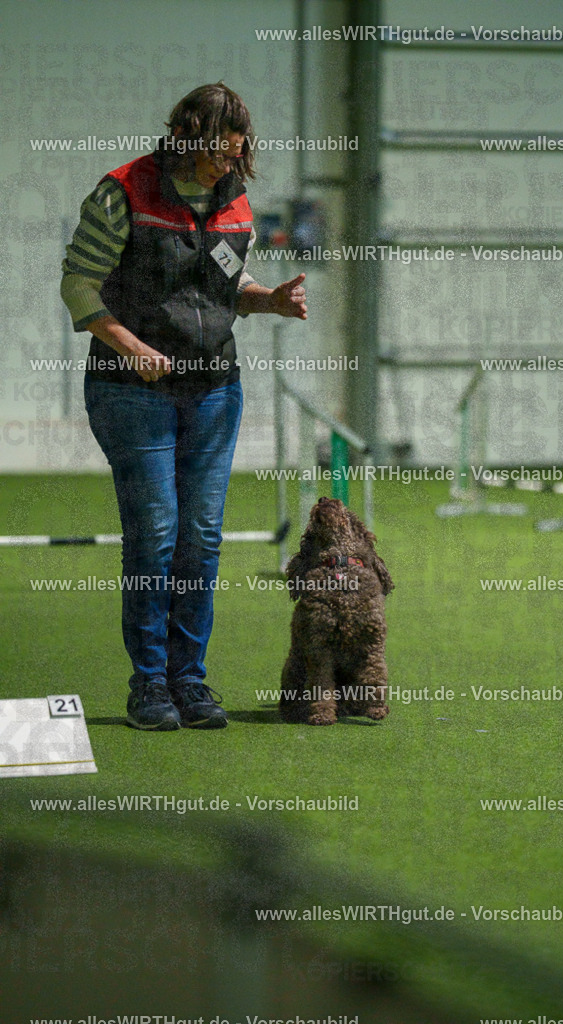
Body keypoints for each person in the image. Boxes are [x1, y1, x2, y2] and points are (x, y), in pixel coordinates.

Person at [61, 83, 307, 731]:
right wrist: (131, 346)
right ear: (187, 137)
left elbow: (230, 284)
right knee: (157, 535)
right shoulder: (123, 192)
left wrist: (269, 300)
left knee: (200, 538)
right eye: (216, 156)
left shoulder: (233, 201)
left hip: (214, 389)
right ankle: (148, 685)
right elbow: (78, 283)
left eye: (234, 157)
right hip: (129, 388)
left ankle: (189, 682)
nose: (225, 167)